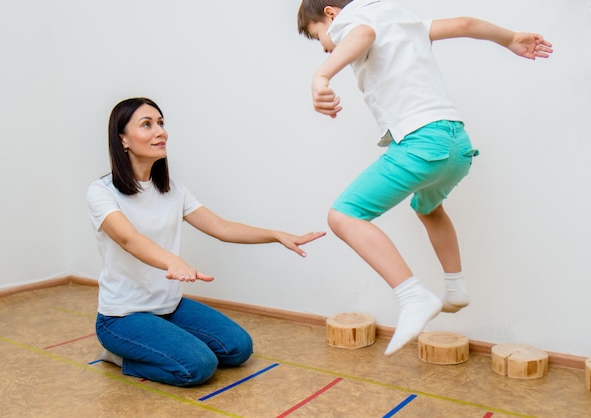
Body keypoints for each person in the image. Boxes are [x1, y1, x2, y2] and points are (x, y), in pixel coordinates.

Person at [296, 0, 552, 355]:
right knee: (428, 209)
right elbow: (464, 23)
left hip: (422, 143)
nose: (325, 45)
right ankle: (455, 286)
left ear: (330, 14)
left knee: (343, 216)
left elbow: (364, 34)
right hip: (457, 146)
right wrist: (508, 38)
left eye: (318, 36)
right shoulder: (401, 18)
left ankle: (412, 296)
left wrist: (321, 75)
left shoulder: (354, 21)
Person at [86, 97, 325, 386]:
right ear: (123, 139)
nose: (160, 131)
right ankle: (120, 356)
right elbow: (128, 239)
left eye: (161, 123)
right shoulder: (102, 192)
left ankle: (158, 341)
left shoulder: (172, 190)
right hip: (122, 317)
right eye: (147, 125)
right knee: (198, 367)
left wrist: (276, 236)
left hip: (168, 306)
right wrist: (172, 261)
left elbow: (222, 227)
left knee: (239, 348)